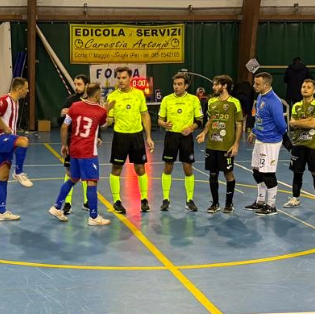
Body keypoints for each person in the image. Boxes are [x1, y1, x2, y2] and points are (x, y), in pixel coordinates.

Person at [49, 83, 111, 225]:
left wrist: (64, 145)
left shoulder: (75, 106)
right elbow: (104, 125)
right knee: (92, 181)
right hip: (88, 151)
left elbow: (64, 127)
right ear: (97, 95)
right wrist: (107, 109)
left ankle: (57, 207)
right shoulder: (100, 111)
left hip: (74, 149)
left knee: (73, 178)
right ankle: (93, 217)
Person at [106, 66, 155, 214]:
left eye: (124, 78)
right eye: (119, 78)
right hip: (120, 136)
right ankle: (116, 201)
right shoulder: (112, 96)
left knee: (140, 168)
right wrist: (104, 117)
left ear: (130, 78)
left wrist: (148, 137)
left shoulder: (139, 94)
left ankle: (144, 200)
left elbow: (145, 115)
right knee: (116, 169)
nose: (121, 81)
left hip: (136, 136)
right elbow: (109, 120)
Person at [196, 75, 243, 213]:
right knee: (213, 174)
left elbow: (239, 125)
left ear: (225, 86)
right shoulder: (211, 101)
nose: (213, 87)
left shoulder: (234, 102)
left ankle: (229, 204)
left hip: (226, 146)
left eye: (216, 84)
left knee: (228, 174)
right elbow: (210, 120)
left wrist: (236, 144)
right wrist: (204, 133)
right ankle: (215, 203)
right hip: (212, 145)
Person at [158, 73, 203, 212]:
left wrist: (191, 128)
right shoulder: (166, 99)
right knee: (168, 168)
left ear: (186, 86)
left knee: (188, 168)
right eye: (174, 84)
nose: (176, 87)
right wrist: (164, 124)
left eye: (179, 84)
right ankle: (165, 199)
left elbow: (199, 120)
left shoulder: (193, 100)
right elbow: (160, 120)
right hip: (171, 136)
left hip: (186, 138)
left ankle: (189, 200)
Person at [245, 72, 289, 216]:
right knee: (257, 171)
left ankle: (271, 205)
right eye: (254, 83)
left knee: (268, 173)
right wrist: (254, 132)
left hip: (270, 141)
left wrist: (284, 139)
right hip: (260, 139)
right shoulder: (260, 97)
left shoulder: (274, 101)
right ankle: (260, 201)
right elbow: (260, 118)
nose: (254, 86)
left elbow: (281, 124)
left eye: (257, 84)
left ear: (266, 85)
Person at [0, 77, 32, 221]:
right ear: (19, 89)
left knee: (2, 177)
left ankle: (1, 212)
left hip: (7, 142)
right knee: (24, 141)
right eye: (26, 88)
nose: (27, 91)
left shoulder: (16, 102)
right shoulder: (5, 100)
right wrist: (4, 127)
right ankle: (18, 172)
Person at [283, 79, 315, 212]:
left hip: (314, 145)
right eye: (303, 87)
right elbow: (292, 123)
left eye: (308, 87)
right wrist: (307, 120)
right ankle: (295, 199)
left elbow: (313, 124)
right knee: (297, 173)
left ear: (314, 90)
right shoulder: (296, 106)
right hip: (298, 144)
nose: (305, 89)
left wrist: (300, 122)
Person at [59, 74, 91, 214]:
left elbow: (95, 120)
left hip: (87, 141)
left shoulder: (91, 101)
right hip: (72, 141)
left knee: (86, 171)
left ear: (86, 85)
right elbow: (61, 121)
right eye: (75, 84)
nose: (76, 87)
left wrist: (99, 137)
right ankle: (67, 202)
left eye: (79, 84)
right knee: (69, 171)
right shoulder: (70, 100)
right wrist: (63, 114)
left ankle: (87, 201)